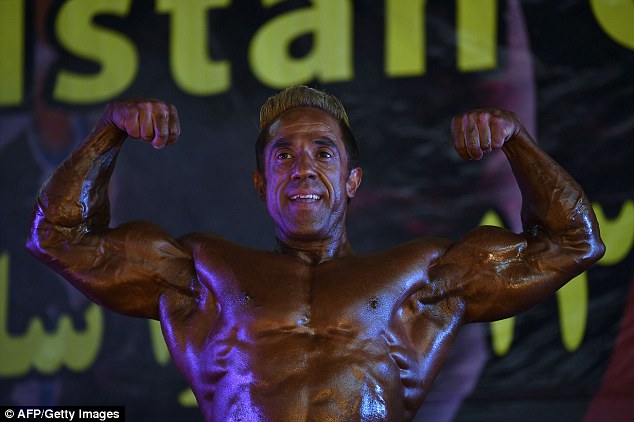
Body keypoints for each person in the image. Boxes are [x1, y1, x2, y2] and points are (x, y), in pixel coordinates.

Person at [26, 86, 605, 421]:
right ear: (261, 183)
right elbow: (58, 237)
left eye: (323, 152)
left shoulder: (422, 277)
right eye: (284, 155)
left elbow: (574, 242)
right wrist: (109, 131)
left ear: (352, 181)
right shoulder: (205, 274)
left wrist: (516, 140)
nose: (302, 167)